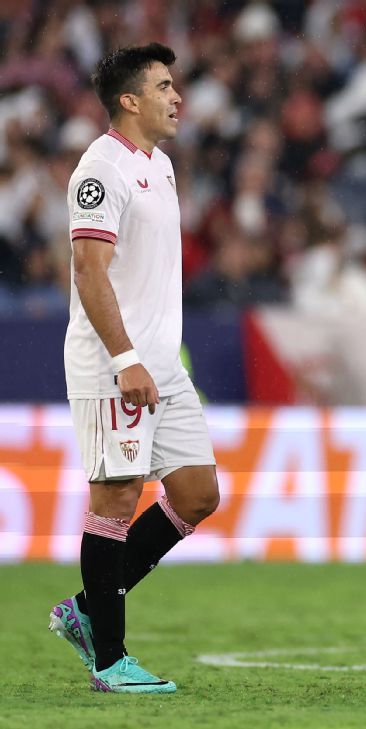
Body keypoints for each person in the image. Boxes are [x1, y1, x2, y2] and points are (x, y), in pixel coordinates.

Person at [49, 43, 221, 694]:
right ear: (129, 100)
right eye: (164, 87)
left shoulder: (161, 165)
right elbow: (88, 271)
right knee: (116, 498)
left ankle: (86, 610)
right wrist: (125, 359)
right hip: (112, 364)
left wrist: (151, 358)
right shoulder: (101, 170)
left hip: (162, 366)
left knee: (197, 494)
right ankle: (110, 660)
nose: (178, 97)